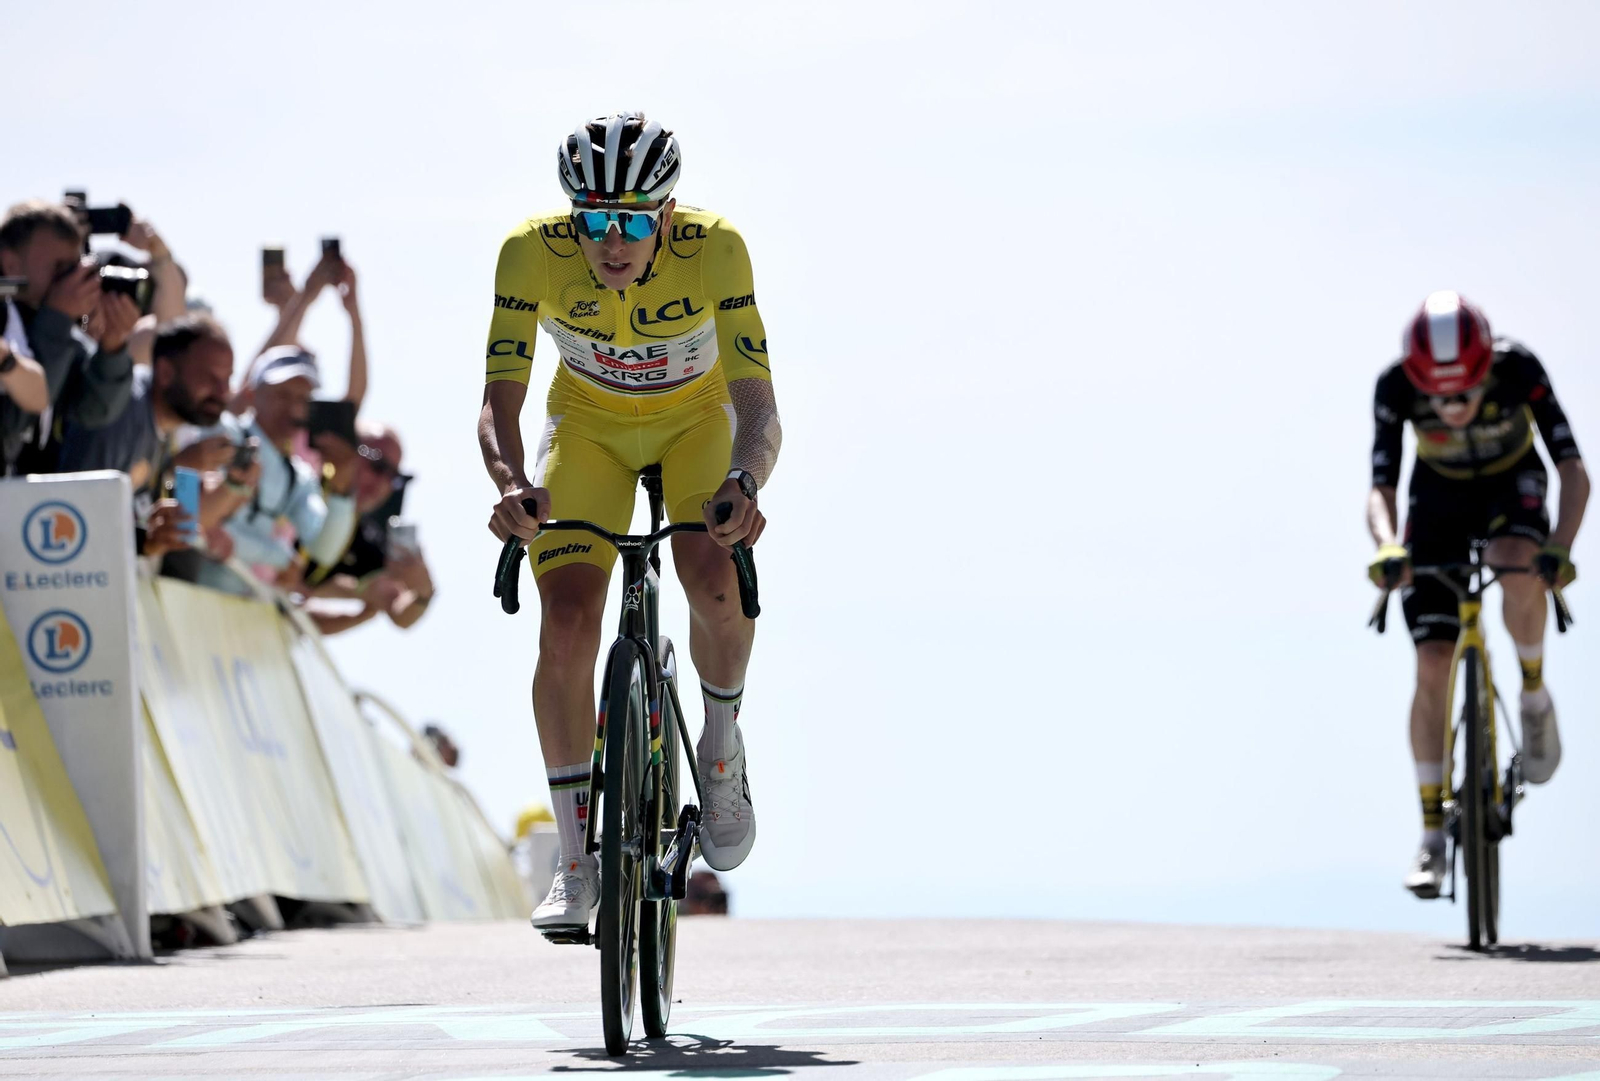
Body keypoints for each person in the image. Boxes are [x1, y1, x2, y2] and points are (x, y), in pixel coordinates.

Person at [479, 112, 782, 930]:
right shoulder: (527, 253)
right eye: (595, 221)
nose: (612, 241)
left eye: (634, 222)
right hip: (588, 429)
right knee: (569, 622)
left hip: (694, 425)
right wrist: (511, 484)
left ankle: (719, 748)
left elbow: (758, 405)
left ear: (668, 219)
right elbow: (498, 401)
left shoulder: (718, 249)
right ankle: (576, 860)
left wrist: (744, 482)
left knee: (711, 576)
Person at [1367, 291, 1588, 899]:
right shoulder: (1393, 387)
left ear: (1486, 367)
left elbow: (1572, 467)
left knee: (1516, 564)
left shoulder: (1518, 368)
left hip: (1509, 485)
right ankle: (1432, 835)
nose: (1453, 407)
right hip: (1436, 500)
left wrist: (1561, 545)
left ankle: (1534, 695)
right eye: (1439, 399)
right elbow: (1381, 485)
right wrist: (1387, 546)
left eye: (1465, 393)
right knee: (1433, 662)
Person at [57, 313, 247, 558]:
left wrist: (174, 471)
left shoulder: (166, 419)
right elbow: (79, 517)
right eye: (210, 377)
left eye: (227, 378)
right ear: (166, 372)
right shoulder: (124, 411)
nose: (222, 392)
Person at [187, 346, 360, 595]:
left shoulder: (299, 477)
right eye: (282, 395)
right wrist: (279, 556)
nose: (294, 408)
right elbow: (196, 521)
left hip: (232, 609)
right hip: (184, 589)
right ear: (250, 394)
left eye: (303, 399)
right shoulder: (223, 432)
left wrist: (342, 490)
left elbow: (323, 548)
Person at [0, 200, 139, 473]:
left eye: (76, 268)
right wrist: (57, 318)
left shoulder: (55, 323)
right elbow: (13, 419)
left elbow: (93, 409)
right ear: (10, 263)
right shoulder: (9, 316)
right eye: (60, 268)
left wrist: (112, 346)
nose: (72, 280)